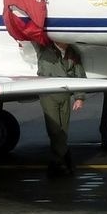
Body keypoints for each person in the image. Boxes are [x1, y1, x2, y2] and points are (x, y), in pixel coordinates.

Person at [36, 40, 85, 177]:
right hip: (48, 94)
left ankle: (58, 162)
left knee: (63, 129)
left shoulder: (73, 54)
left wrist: (79, 97)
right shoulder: (44, 49)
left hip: (64, 95)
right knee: (55, 130)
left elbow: (79, 75)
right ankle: (61, 161)